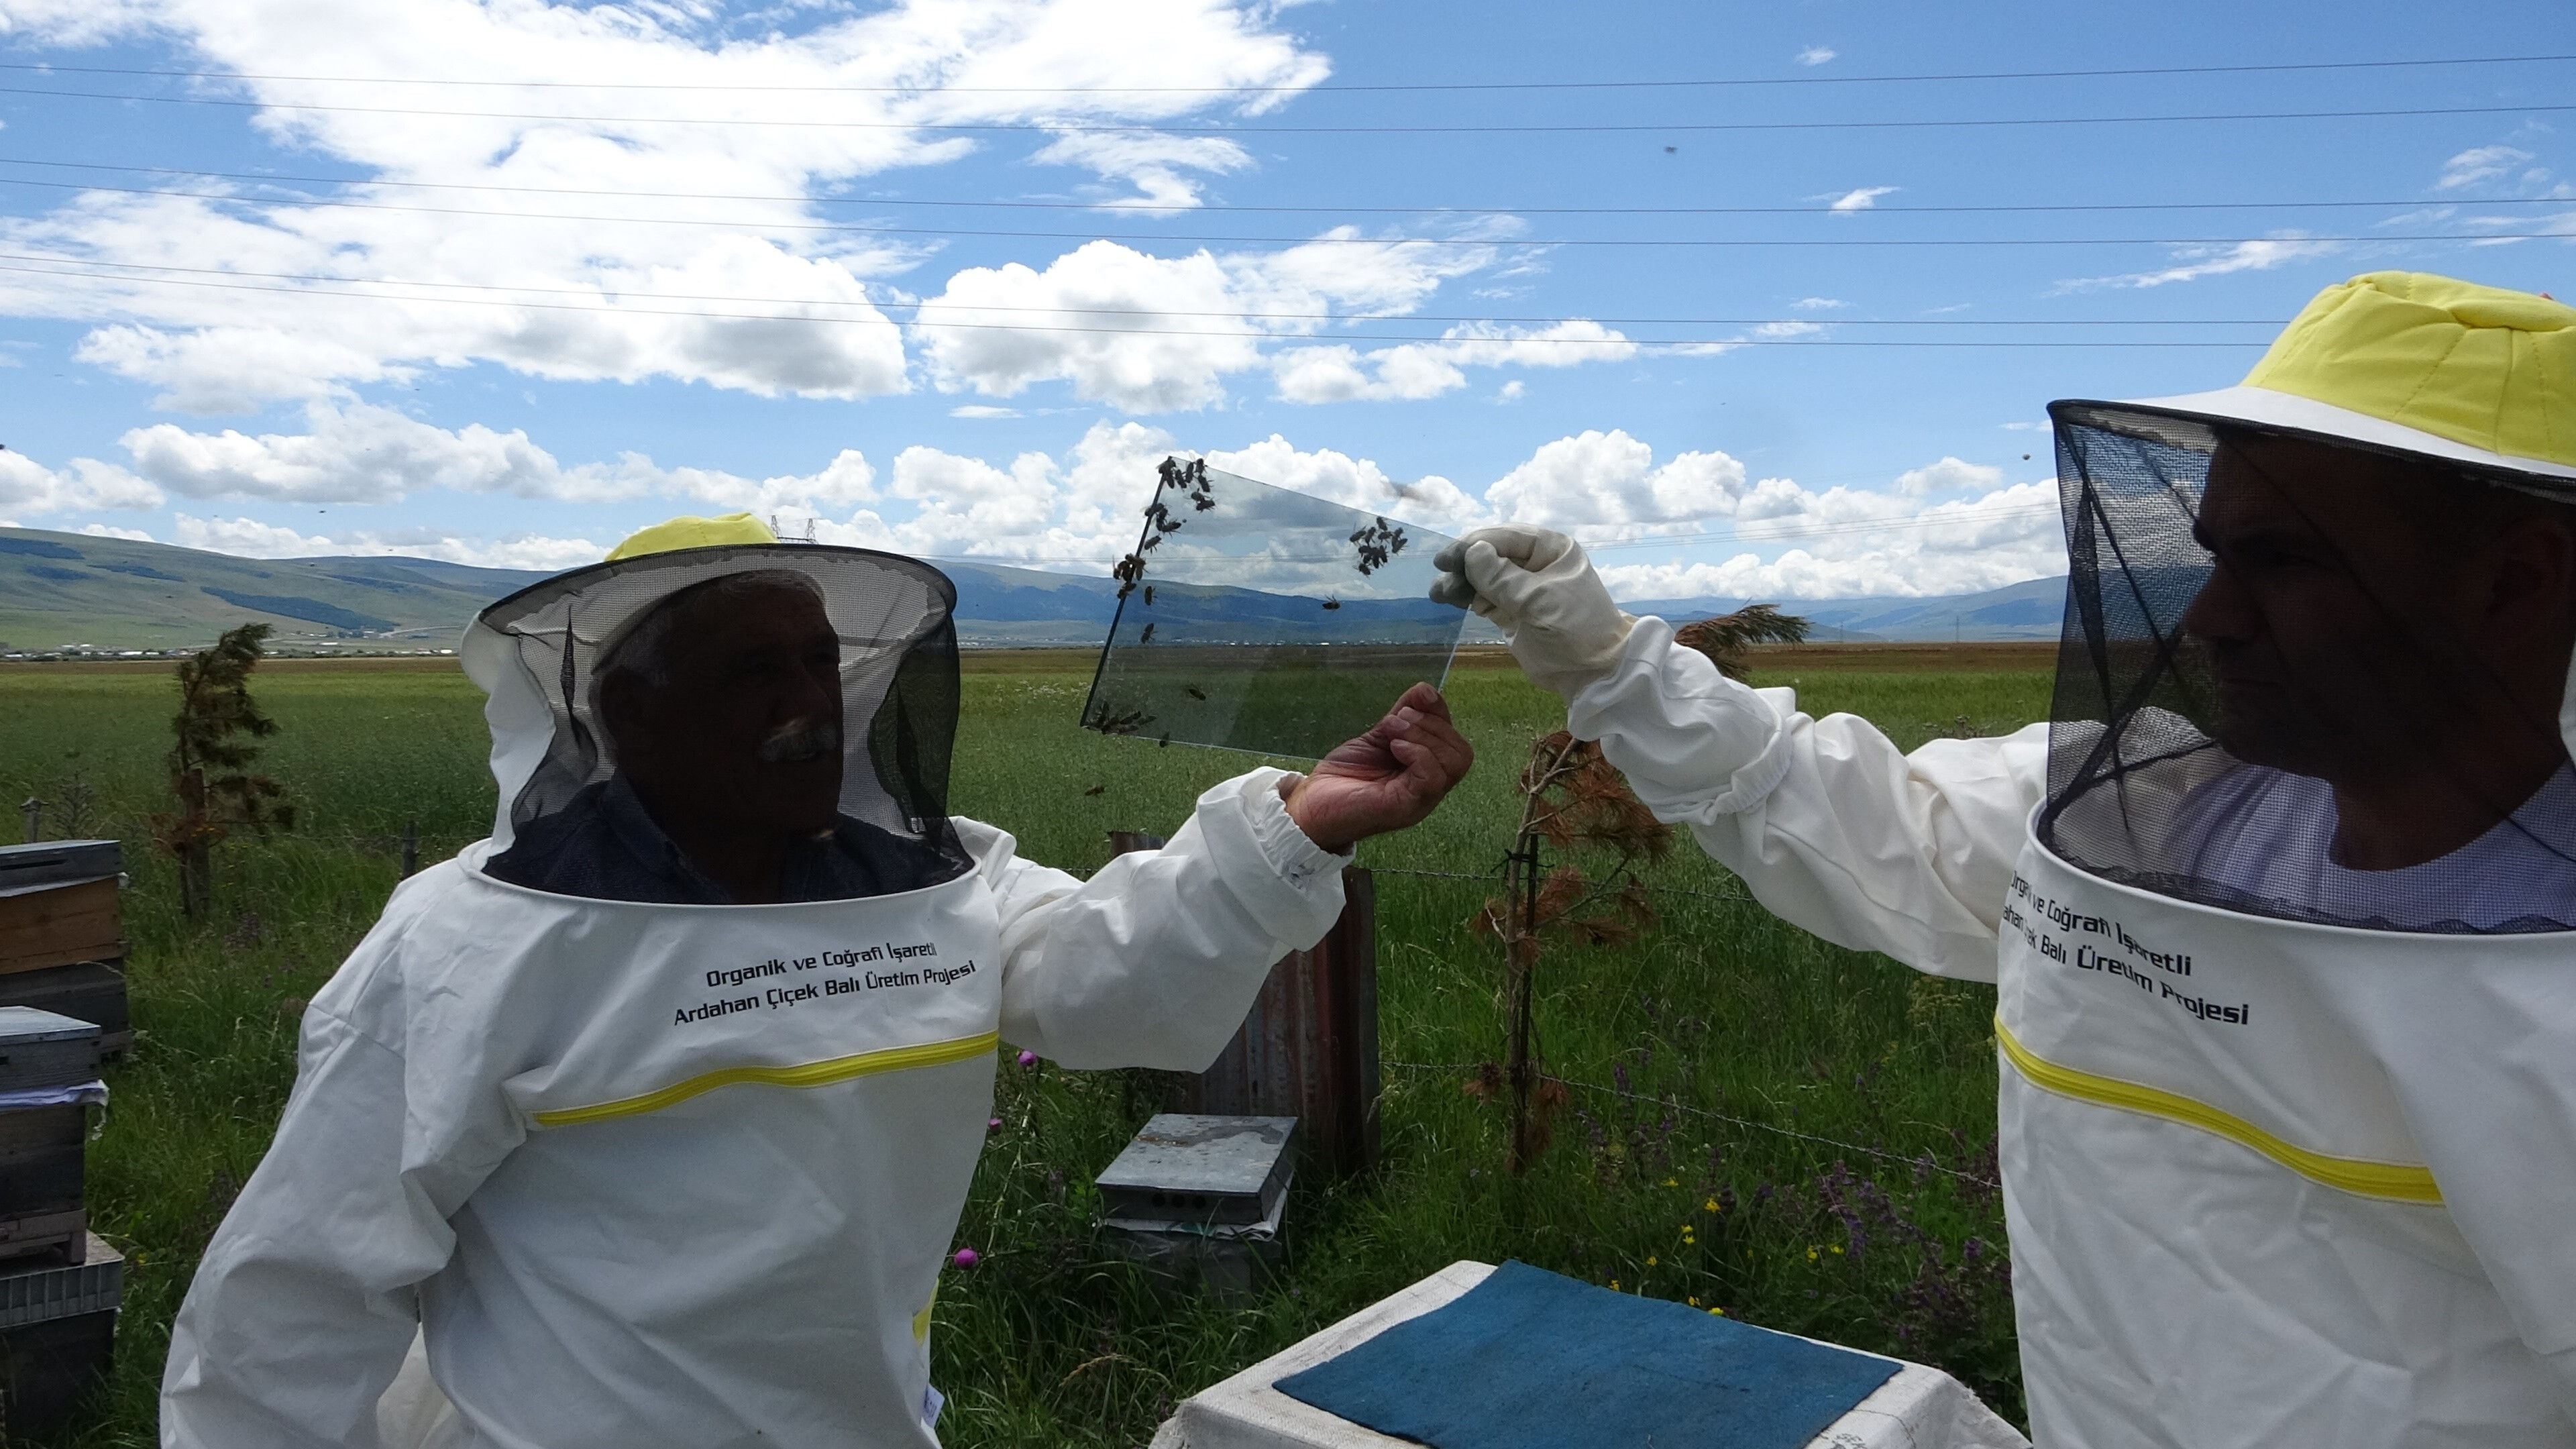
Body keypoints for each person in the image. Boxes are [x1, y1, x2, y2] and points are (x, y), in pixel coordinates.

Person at [1433, 272, 2576, 1446]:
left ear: (2516, 583)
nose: (2208, 620)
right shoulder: (2145, 810)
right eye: (2216, 557)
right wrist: (1608, 659)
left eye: (2284, 562)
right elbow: (1865, 820)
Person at [161, 514, 1474, 1449]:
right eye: (750, 669)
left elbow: (1106, 981)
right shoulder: (470, 943)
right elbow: (298, 1293)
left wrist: (1296, 830)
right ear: (627, 714)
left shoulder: (930, 887)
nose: (810, 701)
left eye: (816, 661)